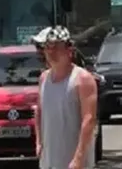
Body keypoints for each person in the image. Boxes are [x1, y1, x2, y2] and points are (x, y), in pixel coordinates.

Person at [32, 26, 98, 169]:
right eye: (47, 47)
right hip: (48, 161)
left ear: (69, 50)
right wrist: (38, 142)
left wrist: (78, 158)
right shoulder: (44, 78)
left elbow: (89, 120)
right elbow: (39, 112)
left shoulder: (82, 79)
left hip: (73, 163)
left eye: (56, 47)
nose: (51, 52)